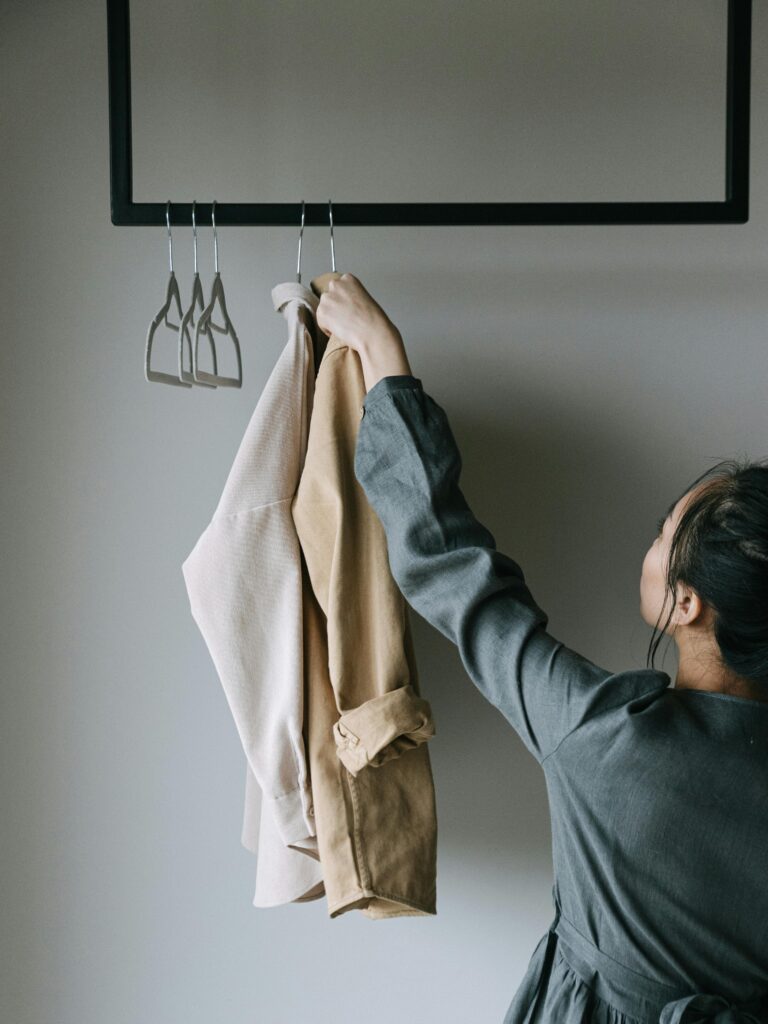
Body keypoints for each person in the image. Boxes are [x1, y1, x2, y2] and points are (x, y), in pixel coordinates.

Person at [316, 274, 768, 1023]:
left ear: (687, 605)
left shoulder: (606, 736)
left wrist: (383, 356)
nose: (649, 546)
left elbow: (460, 578)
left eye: (663, 535)